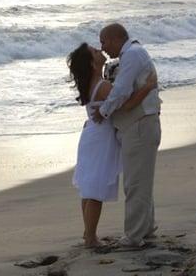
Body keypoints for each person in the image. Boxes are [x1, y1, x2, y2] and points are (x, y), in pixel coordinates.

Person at [68, 43, 157, 248]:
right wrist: (148, 86)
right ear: (92, 63)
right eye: (95, 51)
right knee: (96, 190)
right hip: (100, 139)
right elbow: (126, 105)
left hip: (91, 135)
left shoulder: (93, 82)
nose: (100, 51)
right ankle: (91, 238)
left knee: (89, 188)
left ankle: (88, 233)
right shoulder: (102, 85)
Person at [92, 23, 161, 248]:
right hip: (141, 124)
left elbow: (120, 92)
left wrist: (103, 112)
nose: (103, 48)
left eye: (104, 42)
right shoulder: (134, 53)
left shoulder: (131, 55)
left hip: (140, 125)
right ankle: (146, 228)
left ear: (114, 39)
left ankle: (133, 236)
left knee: (135, 184)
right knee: (141, 181)